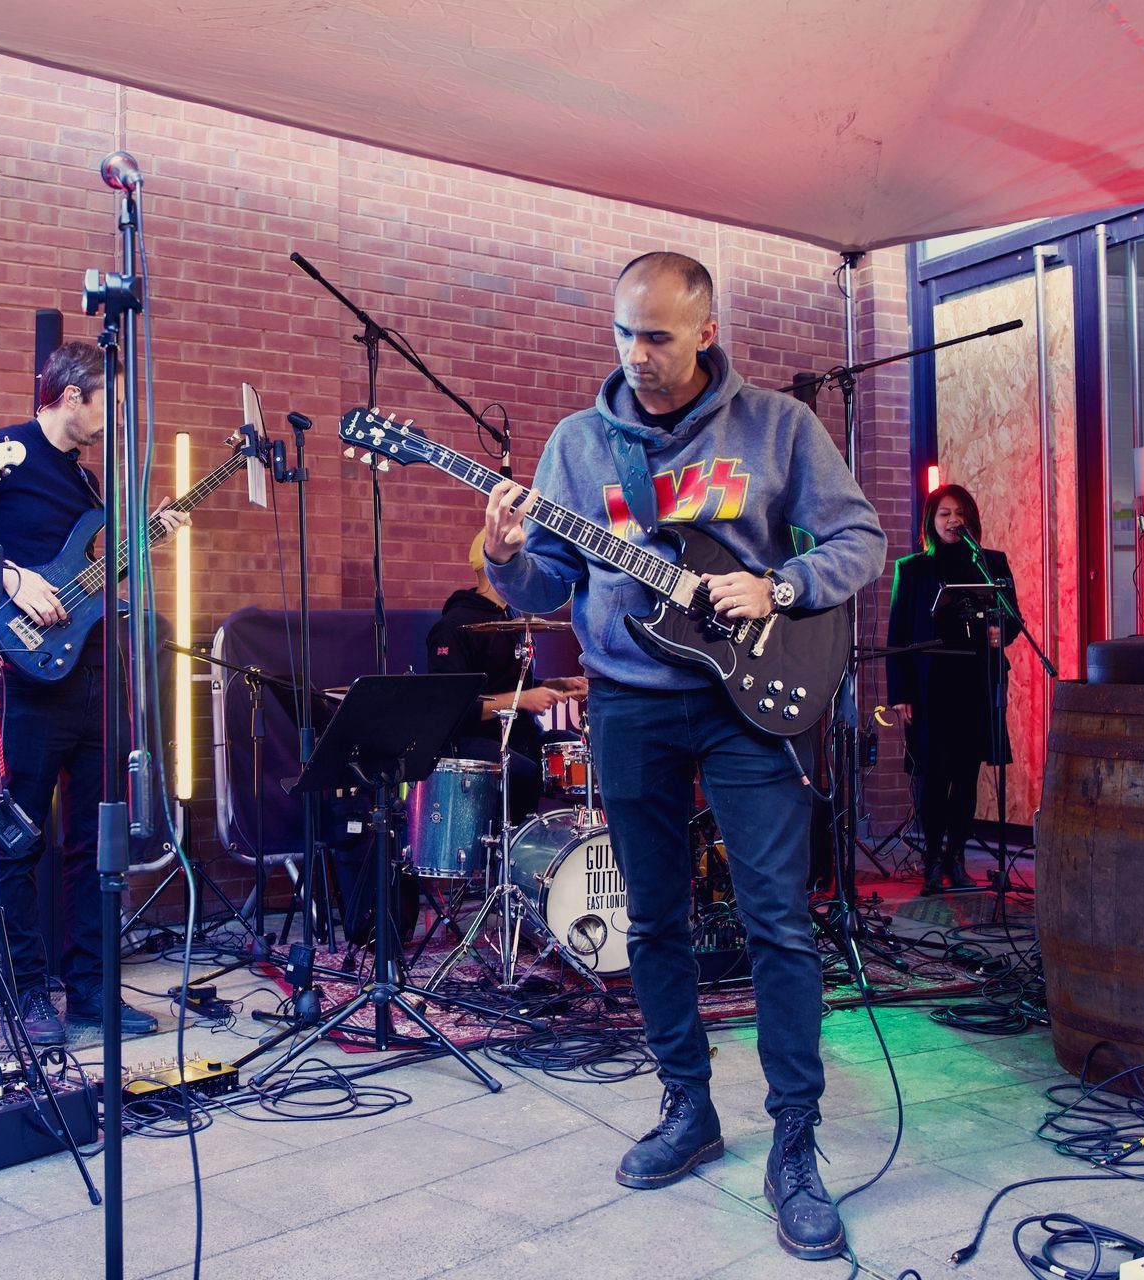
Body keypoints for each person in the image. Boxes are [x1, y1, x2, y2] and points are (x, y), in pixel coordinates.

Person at [482, 252, 885, 1261]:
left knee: (778, 922)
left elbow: (860, 536)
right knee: (652, 918)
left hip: (749, 704)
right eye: (624, 332)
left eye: (658, 335)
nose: (639, 354)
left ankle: (795, 1140)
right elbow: (544, 585)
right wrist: (500, 554)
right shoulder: (580, 444)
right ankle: (687, 1105)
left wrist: (780, 588)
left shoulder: (778, 427)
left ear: (706, 329)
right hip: (631, 701)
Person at [0, 340, 178, 1043]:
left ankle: (90, 992)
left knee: (94, 844)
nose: (114, 420)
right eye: (108, 405)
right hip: (24, 680)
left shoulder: (87, 483)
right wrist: (6, 577)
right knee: (20, 839)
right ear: (70, 396)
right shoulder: (1, 454)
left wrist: (146, 539)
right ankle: (24, 993)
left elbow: (87, 581)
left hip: (92, 678)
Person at [886, 484, 1019, 895]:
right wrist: (901, 693)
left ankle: (956, 859)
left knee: (965, 776)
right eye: (943, 513)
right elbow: (898, 635)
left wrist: (1000, 631)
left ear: (971, 519)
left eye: (959, 513)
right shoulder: (912, 569)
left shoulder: (990, 564)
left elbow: (1014, 619)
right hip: (929, 689)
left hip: (975, 684)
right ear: (931, 521)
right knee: (932, 777)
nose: (952, 520)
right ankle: (929, 863)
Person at [425, 530, 586, 817]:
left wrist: (555, 685)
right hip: (474, 740)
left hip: (520, 735)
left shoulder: (511, 617)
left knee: (577, 753)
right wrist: (523, 700)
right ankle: (514, 845)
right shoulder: (453, 627)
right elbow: (452, 709)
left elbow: (510, 684)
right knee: (523, 770)